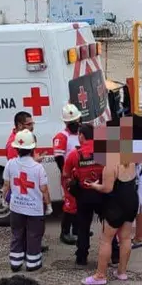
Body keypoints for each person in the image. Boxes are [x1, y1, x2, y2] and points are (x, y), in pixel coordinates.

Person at [82, 141, 139, 285]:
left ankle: (100, 275)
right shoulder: (131, 161)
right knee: (125, 238)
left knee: (106, 239)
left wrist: (94, 186)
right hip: (131, 203)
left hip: (115, 206)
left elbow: (107, 189)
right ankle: (122, 272)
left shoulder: (111, 166)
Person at [2, 130, 51, 272]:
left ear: (16, 148)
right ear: (32, 148)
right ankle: (33, 263)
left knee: (17, 234)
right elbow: (44, 189)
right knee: (34, 235)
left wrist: (5, 200)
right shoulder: (38, 168)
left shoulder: (10, 164)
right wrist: (48, 205)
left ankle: (15, 262)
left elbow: (6, 186)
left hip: (16, 207)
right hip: (34, 209)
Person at [63, 124, 104, 267]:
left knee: (83, 227)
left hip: (84, 195)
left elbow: (66, 175)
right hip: (102, 192)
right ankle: (115, 254)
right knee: (110, 226)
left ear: (81, 136)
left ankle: (81, 257)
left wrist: (76, 176)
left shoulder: (74, 154)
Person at [54, 104, 83, 244]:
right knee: (70, 204)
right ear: (66, 122)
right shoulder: (62, 136)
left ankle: (78, 230)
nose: (74, 124)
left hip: (81, 174)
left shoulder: (81, 134)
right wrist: (66, 175)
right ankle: (65, 233)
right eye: (71, 122)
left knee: (80, 203)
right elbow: (58, 158)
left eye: (76, 121)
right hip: (69, 176)